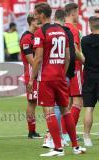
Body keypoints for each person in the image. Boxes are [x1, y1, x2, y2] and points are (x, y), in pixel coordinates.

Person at [28, 2, 86, 156]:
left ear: (42, 14)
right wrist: (64, 73)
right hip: (61, 76)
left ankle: (58, 148)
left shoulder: (41, 32)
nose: (34, 16)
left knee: (49, 111)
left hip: (46, 77)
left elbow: (38, 58)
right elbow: (68, 56)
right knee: (65, 110)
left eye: (36, 13)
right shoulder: (61, 30)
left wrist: (30, 80)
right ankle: (75, 147)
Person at [42, 8, 76, 148]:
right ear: (67, 16)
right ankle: (54, 139)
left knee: (57, 108)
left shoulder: (49, 32)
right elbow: (71, 54)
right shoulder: (67, 32)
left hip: (53, 74)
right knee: (62, 108)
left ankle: (56, 139)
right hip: (63, 74)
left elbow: (41, 55)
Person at [19, 14, 42, 139]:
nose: (40, 23)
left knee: (36, 102)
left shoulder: (35, 36)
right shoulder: (26, 38)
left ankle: (33, 131)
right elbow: (31, 60)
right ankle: (31, 131)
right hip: (31, 74)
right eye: (37, 21)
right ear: (31, 21)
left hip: (38, 74)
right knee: (32, 102)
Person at [64, 3, 85, 127]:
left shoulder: (62, 27)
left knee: (67, 103)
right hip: (75, 68)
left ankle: (63, 132)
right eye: (78, 13)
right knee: (78, 101)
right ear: (73, 13)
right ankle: (68, 132)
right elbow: (75, 50)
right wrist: (85, 61)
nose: (78, 15)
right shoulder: (73, 29)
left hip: (64, 69)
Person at [82, 16, 99, 147]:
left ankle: (87, 137)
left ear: (89, 25)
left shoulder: (84, 40)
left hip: (89, 76)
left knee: (89, 108)